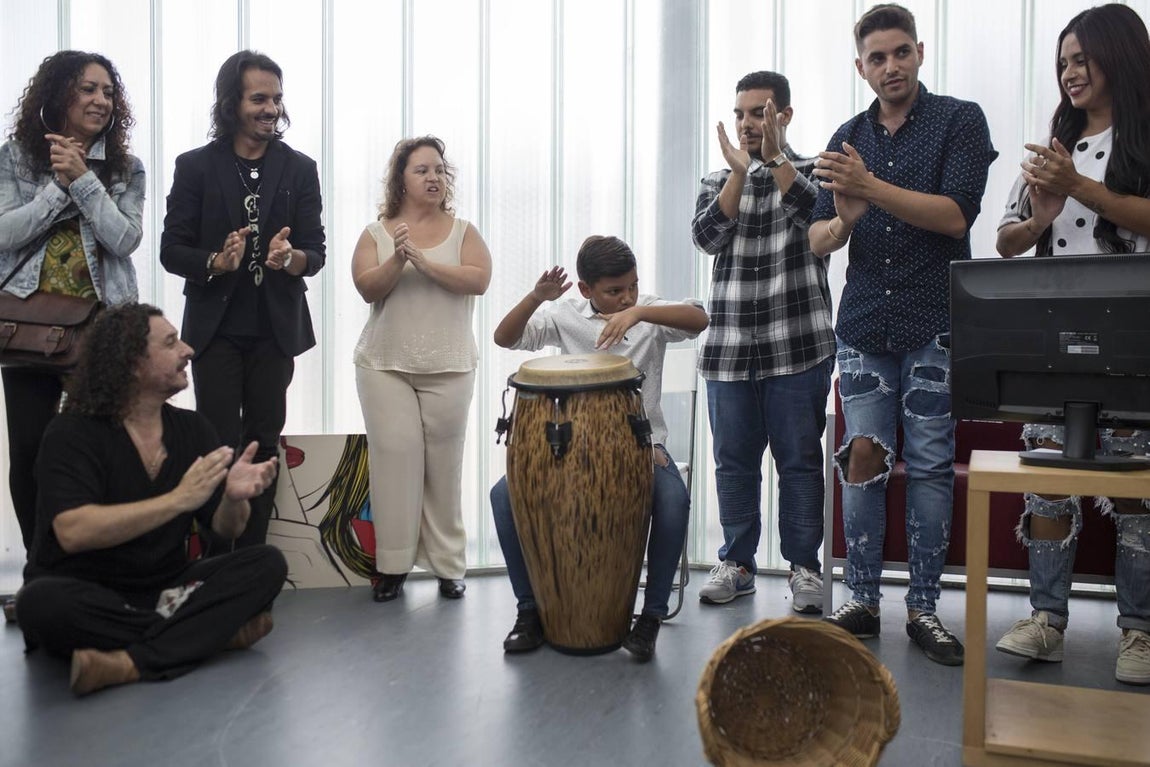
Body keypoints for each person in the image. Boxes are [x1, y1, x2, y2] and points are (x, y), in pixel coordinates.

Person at [809, 3, 997, 666]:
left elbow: (955, 216)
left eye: (900, 53)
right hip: (863, 323)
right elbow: (818, 235)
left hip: (935, 323)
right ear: (860, 67)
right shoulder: (845, 137)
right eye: (876, 58)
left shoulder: (958, 120)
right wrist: (845, 216)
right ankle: (861, 600)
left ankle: (923, 607)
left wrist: (870, 187)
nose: (890, 66)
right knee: (862, 454)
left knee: (929, 462)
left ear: (919, 52)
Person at [14, 303, 287, 696]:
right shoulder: (71, 432)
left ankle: (127, 662)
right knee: (39, 604)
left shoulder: (193, 429)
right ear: (132, 364)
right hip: (85, 589)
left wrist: (233, 497)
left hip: (164, 589)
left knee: (266, 564)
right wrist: (177, 500)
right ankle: (206, 636)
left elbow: (228, 528)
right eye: (171, 343)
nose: (189, 350)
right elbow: (74, 532)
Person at [993, 4, 1150, 686]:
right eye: (1063, 62)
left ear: (1122, 56)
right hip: (1056, 337)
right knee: (1049, 479)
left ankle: (1140, 629)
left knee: (1139, 491)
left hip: (1137, 336)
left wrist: (1080, 187)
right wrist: (1042, 218)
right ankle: (1046, 618)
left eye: (1082, 58)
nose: (1071, 72)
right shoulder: (1052, 145)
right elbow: (1003, 239)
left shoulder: (1142, 139)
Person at [490, 235, 708, 661]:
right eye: (614, 291)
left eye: (631, 285)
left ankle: (650, 617)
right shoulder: (566, 315)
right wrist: (537, 297)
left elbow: (699, 319)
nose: (625, 295)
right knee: (503, 497)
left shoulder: (648, 311)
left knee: (673, 499)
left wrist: (639, 310)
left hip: (643, 446)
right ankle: (529, 610)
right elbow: (505, 337)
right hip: (569, 451)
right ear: (587, 290)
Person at [159, 50, 325, 554]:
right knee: (217, 444)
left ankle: (251, 560)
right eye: (259, 98)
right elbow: (171, 249)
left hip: (275, 330)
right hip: (215, 331)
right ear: (233, 103)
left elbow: (315, 253)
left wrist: (288, 257)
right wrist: (216, 262)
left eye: (276, 98)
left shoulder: (300, 169)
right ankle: (216, 559)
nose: (270, 108)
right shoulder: (195, 167)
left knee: (264, 443)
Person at [0, 51, 145, 620]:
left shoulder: (126, 168)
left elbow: (124, 240)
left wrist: (83, 180)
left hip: (102, 327)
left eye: (108, 92)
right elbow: (5, 234)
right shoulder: (16, 157)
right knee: (31, 454)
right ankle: (42, 574)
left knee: (103, 453)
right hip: (28, 328)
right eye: (88, 89)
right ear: (58, 93)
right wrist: (54, 188)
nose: (100, 100)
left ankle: (99, 574)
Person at [690, 71, 835, 612]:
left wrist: (774, 162)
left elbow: (817, 219)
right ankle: (739, 563)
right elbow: (707, 238)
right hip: (728, 349)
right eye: (741, 114)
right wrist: (736, 173)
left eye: (760, 112)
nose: (749, 124)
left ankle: (804, 568)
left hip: (797, 346)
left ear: (785, 116)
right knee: (733, 463)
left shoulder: (814, 171)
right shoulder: (716, 179)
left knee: (798, 461)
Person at [351, 136, 491, 603]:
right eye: (421, 170)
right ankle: (392, 565)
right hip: (384, 365)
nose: (433, 177)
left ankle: (449, 567)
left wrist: (423, 262)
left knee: (444, 469)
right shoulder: (377, 232)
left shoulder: (464, 230)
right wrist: (398, 257)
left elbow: (478, 279)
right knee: (395, 459)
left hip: (450, 365)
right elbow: (369, 289)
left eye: (438, 170)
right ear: (400, 179)